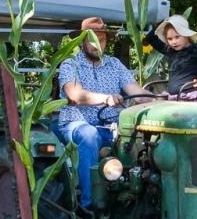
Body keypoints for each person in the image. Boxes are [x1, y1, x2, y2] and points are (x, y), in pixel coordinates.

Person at [55, 17, 150, 207]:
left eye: (102, 39)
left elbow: (136, 92)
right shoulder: (70, 64)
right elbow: (75, 94)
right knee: (89, 135)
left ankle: (138, 200)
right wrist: (105, 98)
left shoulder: (114, 64)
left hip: (111, 127)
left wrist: (160, 98)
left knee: (144, 140)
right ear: (82, 41)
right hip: (78, 123)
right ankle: (90, 205)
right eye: (92, 39)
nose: (97, 44)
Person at [143, 14, 197, 102]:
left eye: (177, 37)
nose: (174, 42)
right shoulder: (170, 51)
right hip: (173, 100)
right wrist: (163, 23)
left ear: (186, 34)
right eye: (170, 39)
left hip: (192, 99)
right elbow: (150, 38)